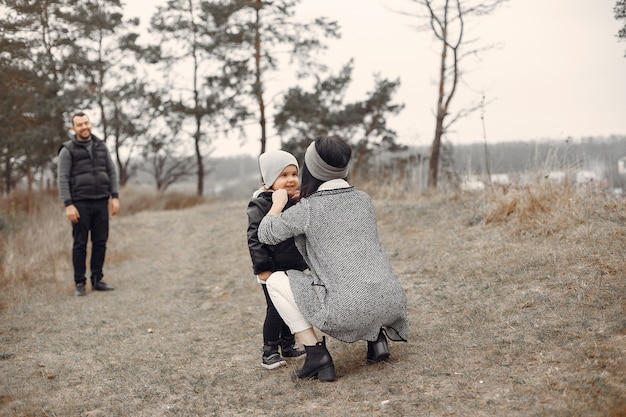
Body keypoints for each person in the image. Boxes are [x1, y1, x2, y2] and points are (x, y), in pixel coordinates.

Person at [257, 136, 409, 382]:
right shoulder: (363, 199)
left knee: (274, 281)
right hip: (392, 300)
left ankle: (316, 354)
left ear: (312, 169)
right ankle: (377, 340)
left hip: (349, 309)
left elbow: (266, 233)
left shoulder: (307, 209)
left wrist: (278, 203)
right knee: (359, 269)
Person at [246, 150, 307, 369]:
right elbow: (254, 239)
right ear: (270, 179)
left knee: (290, 306)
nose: (290, 180)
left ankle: (288, 345)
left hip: (292, 266)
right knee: (274, 309)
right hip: (271, 269)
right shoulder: (260, 205)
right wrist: (262, 269)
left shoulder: (295, 201)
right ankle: (269, 350)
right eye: (283, 175)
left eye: (293, 174)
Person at [57, 112, 119, 296]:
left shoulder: (101, 146)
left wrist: (114, 197)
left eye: (86, 123)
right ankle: (79, 283)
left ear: (90, 124)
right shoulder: (67, 150)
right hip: (79, 204)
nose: (84, 127)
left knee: (100, 242)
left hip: (101, 202)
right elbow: (62, 178)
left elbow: (112, 172)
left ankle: (97, 280)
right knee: (80, 244)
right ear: (73, 128)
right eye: (79, 125)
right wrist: (68, 204)